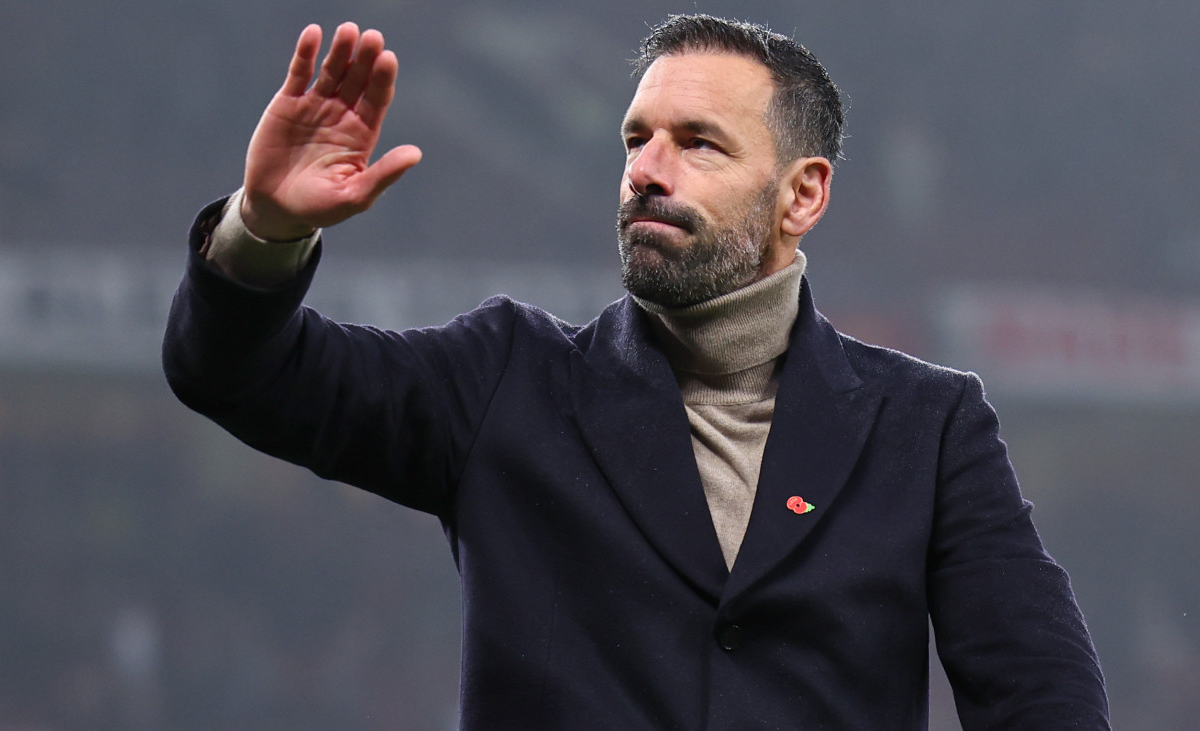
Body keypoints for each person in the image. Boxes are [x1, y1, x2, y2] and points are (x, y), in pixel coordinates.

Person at [163, 14, 1109, 729]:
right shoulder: (508, 377)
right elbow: (244, 375)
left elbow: (1039, 687)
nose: (647, 170)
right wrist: (266, 232)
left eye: (697, 142)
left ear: (803, 194)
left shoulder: (928, 426)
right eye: (635, 139)